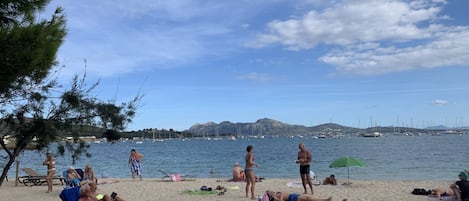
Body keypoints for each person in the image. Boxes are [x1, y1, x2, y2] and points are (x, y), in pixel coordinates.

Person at [265, 190, 332, 201]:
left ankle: (324, 200)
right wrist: (275, 197)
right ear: (269, 194)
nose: (271, 190)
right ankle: (325, 200)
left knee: (309, 199)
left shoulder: (277, 193)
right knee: (309, 198)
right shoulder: (276, 196)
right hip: (292, 197)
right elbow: (281, 200)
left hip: (293, 196)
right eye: (269, 191)